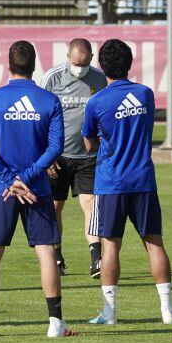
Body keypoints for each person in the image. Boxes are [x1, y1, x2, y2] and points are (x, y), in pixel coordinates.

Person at [0, 40, 75, 338]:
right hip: (37, 187)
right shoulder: (48, 100)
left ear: (8, 65)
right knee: (46, 252)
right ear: (34, 65)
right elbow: (55, 147)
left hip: (2, 188)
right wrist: (26, 177)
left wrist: (10, 178)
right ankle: (56, 324)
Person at [83, 39, 172, 327]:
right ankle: (167, 310)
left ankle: (109, 313)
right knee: (154, 244)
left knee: (110, 247)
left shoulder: (97, 101)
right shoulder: (145, 94)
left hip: (111, 182)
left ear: (101, 67)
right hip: (143, 179)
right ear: (130, 64)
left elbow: (89, 142)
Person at [41, 38, 107, 278]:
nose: (80, 68)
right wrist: (45, 155)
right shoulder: (52, 78)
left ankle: (96, 258)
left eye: (84, 64)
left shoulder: (100, 79)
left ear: (91, 58)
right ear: (67, 56)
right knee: (55, 206)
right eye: (75, 63)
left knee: (90, 204)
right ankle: (57, 255)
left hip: (88, 155)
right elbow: (41, 117)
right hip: (57, 156)